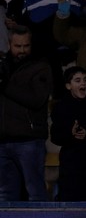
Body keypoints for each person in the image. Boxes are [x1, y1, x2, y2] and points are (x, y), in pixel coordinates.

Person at [0, 25, 52, 201]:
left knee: (35, 192)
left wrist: (6, 85)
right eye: (18, 46)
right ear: (9, 44)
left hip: (29, 140)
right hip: (3, 141)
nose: (22, 50)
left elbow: (36, 98)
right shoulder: (2, 66)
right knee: (6, 195)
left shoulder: (40, 67)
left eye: (26, 46)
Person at [50, 66, 86, 201]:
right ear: (68, 85)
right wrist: (70, 133)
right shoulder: (61, 108)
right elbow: (55, 135)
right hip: (71, 167)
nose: (83, 83)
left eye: (85, 80)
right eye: (77, 80)